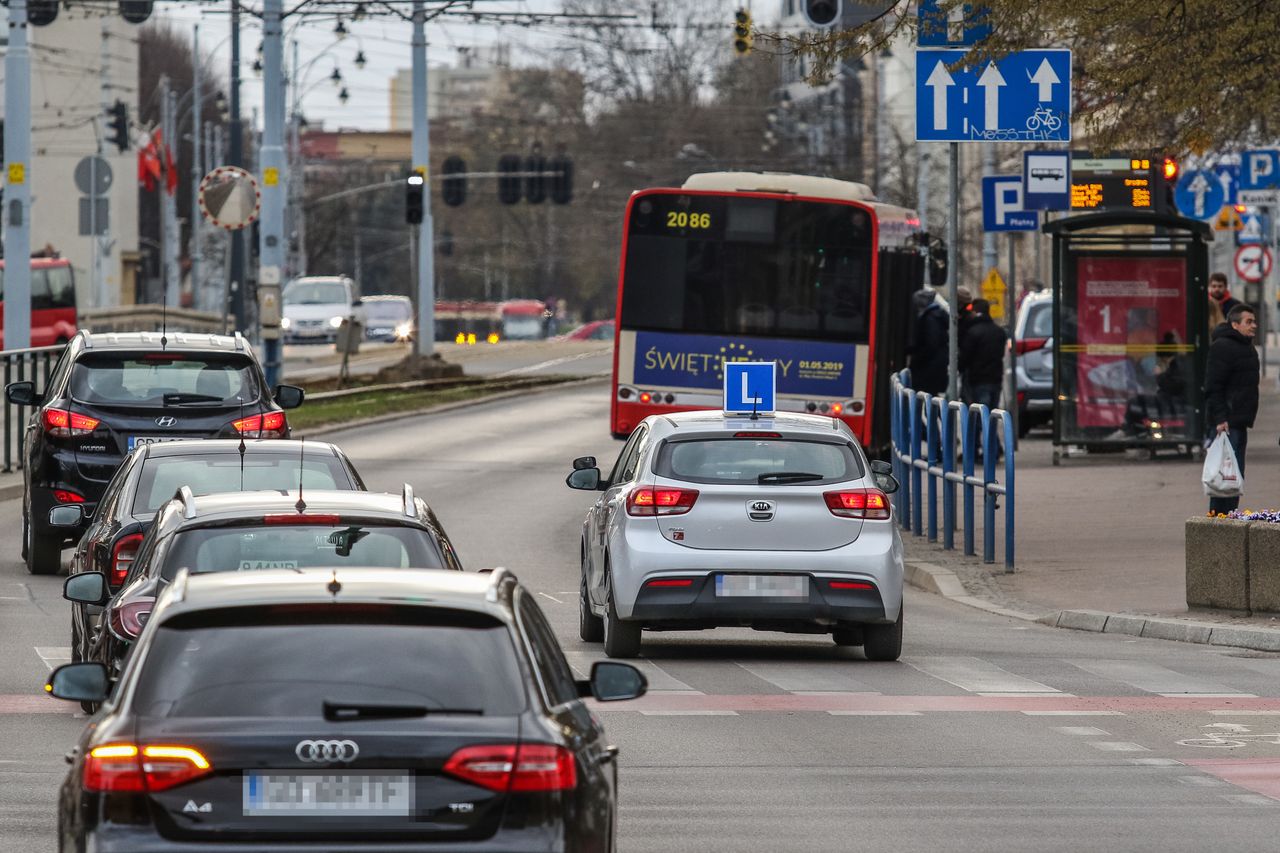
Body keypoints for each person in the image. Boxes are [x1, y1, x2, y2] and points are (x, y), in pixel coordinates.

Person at [1204, 304, 1259, 515]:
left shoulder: (1246, 346)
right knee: (1223, 478)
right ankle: (1218, 520)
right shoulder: (1223, 347)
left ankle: (1228, 519)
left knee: (1234, 478)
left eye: (1254, 321)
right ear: (1235, 324)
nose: (1254, 325)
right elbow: (1213, 385)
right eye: (1249, 322)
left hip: (1239, 421)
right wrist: (1220, 418)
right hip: (1226, 423)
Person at [959, 298, 1008, 412]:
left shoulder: (973, 332)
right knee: (992, 414)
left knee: (980, 414)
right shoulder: (998, 331)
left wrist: (960, 368)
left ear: (975, 312)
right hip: (995, 378)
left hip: (978, 379)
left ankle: (980, 429)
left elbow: (966, 356)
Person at [907, 289, 948, 395]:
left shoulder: (930, 319)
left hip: (928, 369)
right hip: (935, 367)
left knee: (927, 398)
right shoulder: (936, 316)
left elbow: (931, 344)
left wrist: (917, 358)